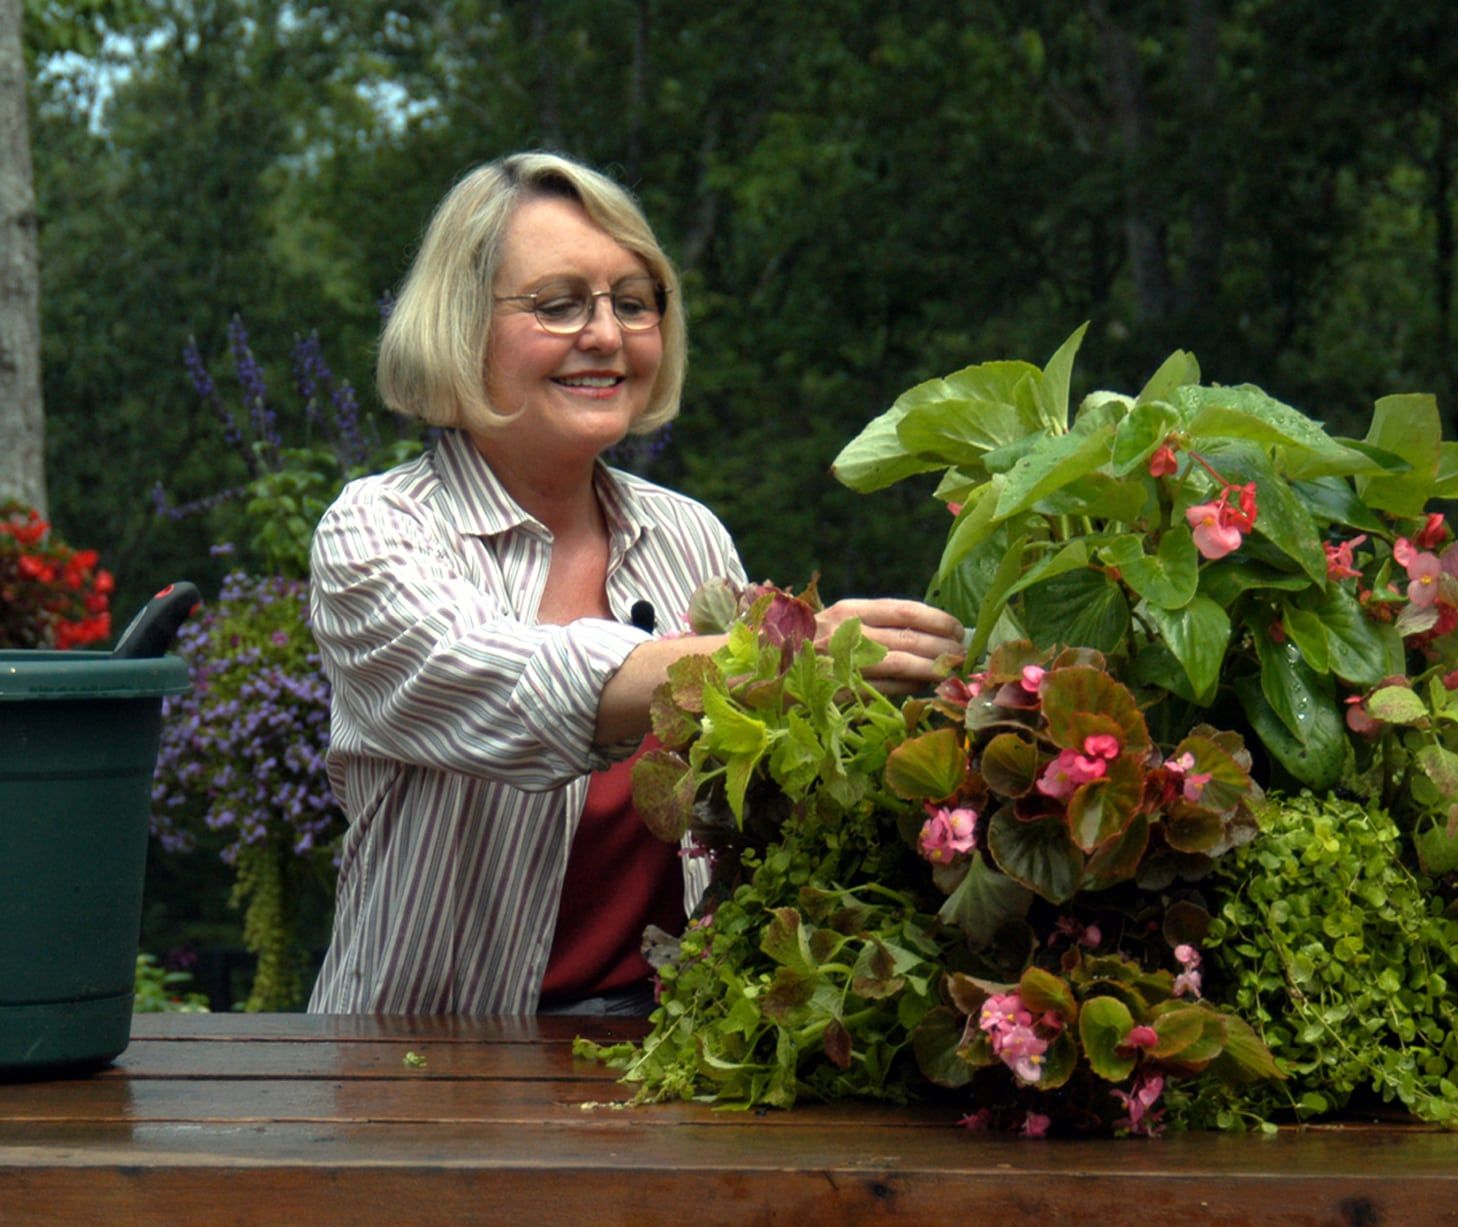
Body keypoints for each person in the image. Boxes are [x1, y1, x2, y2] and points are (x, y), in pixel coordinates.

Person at [305, 152, 964, 1015]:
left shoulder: (686, 535)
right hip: (423, 1061)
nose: (608, 335)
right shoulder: (377, 531)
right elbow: (510, 683)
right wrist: (783, 654)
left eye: (634, 300)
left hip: (659, 1059)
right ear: (460, 326)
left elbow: (753, 806)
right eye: (559, 303)